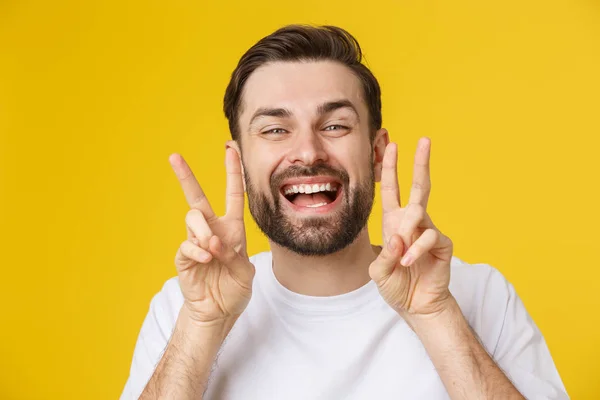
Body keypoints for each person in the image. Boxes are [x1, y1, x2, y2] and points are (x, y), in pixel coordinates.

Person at [120, 25, 568, 400]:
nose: (308, 151)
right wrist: (204, 325)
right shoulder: (184, 307)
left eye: (334, 125)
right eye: (276, 129)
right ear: (237, 163)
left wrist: (434, 315)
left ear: (376, 153)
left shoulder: (481, 297)